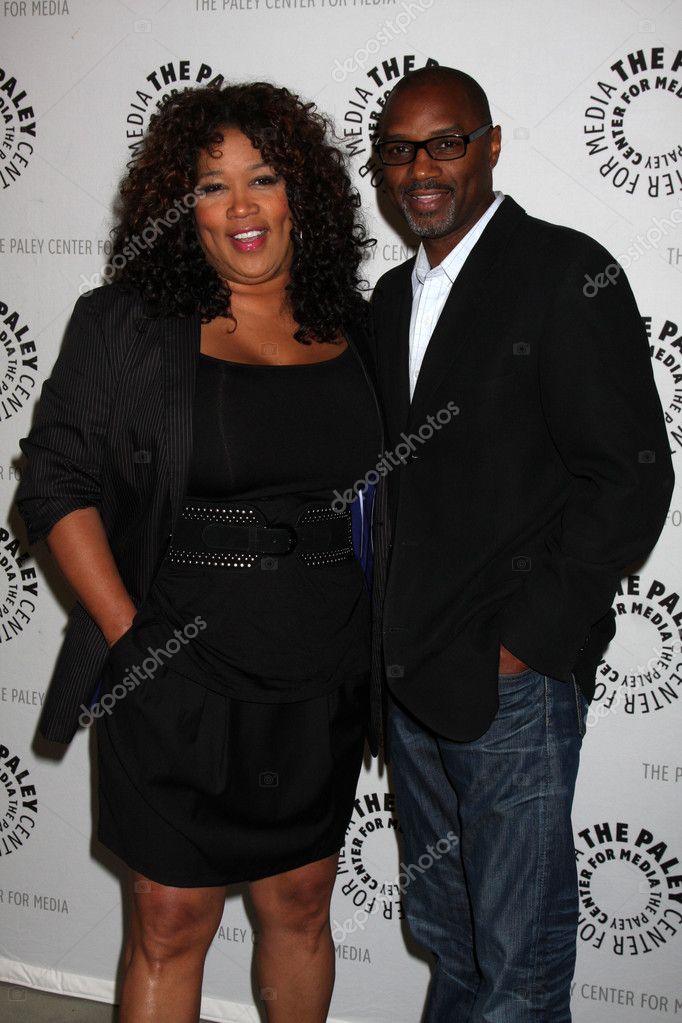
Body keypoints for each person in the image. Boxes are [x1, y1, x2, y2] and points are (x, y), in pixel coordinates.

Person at [16, 81, 385, 1023]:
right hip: (173, 664)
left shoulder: (359, 328)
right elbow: (56, 482)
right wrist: (127, 633)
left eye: (262, 177)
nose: (242, 207)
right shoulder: (127, 323)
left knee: (301, 905)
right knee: (170, 919)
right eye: (211, 186)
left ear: (302, 190)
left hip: (322, 668)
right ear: (181, 209)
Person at [370, 66, 674, 1022]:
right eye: (401, 149)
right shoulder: (385, 299)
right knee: (452, 942)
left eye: (446, 143)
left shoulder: (562, 272)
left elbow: (631, 478)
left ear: (491, 145)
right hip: (408, 678)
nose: (423, 168)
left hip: (511, 687)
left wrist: (528, 641)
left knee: (522, 966)